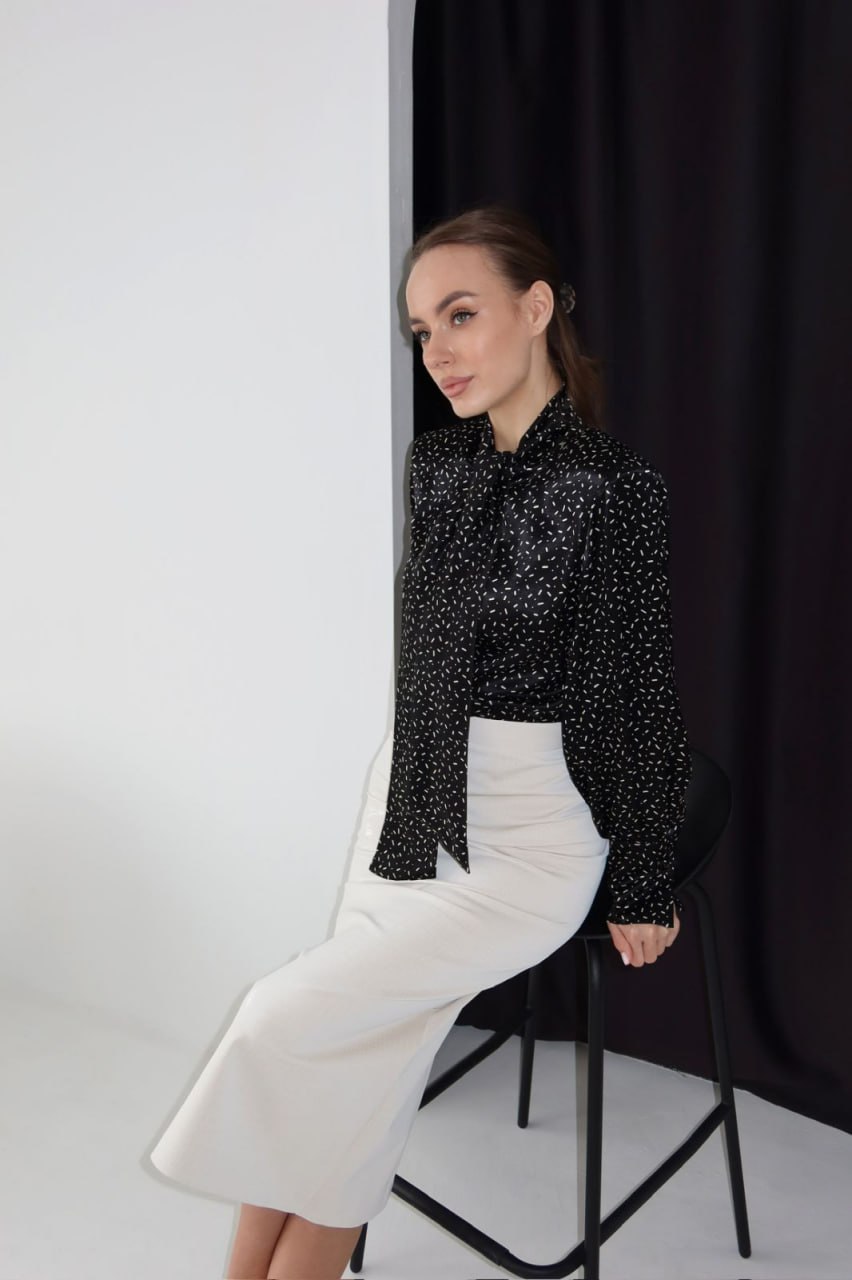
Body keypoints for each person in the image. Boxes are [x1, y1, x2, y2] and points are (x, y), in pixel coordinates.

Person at [146, 204, 691, 1280]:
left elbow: (638, 697)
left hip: (528, 843)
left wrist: (641, 874)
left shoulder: (615, 492)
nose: (438, 350)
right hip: (410, 802)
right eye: (421, 330)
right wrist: (407, 801)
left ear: (535, 308)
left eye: (461, 315)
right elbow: (427, 660)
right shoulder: (437, 467)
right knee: (349, 1073)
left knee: (281, 1023)